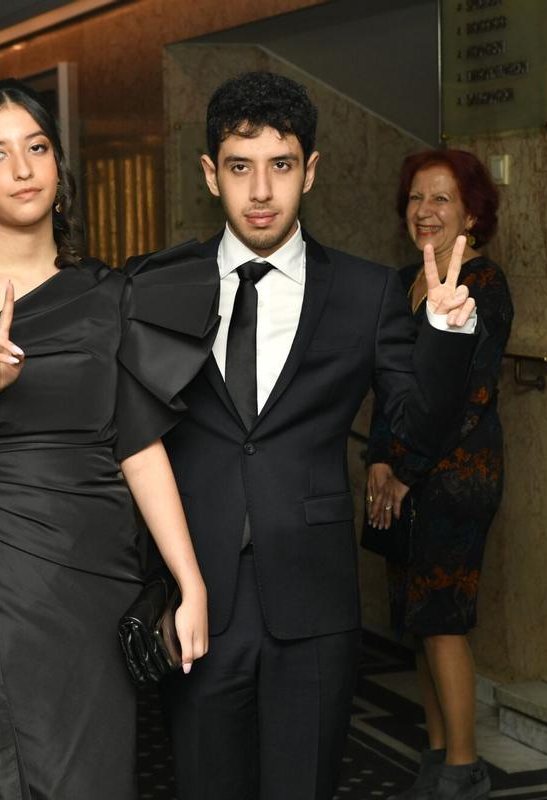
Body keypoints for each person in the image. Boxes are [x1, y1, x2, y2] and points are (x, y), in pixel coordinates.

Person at [134, 71, 479, 799]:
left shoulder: (365, 292)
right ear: (210, 173)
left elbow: (421, 427)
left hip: (313, 600)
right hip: (198, 594)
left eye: (281, 165)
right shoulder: (160, 284)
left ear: (311, 170)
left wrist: (446, 335)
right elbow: (132, 431)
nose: (261, 191)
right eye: (240, 166)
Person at [0, 78, 211, 799]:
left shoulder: (111, 295)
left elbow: (139, 446)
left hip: (93, 581)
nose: (22, 169)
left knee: (89, 774)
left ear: (59, 165)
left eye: (37, 147)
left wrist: (189, 579)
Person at [365, 149, 511, 800]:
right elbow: (386, 385)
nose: (425, 211)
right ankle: (434, 757)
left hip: (457, 473)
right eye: (416, 199)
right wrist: (378, 459)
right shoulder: (402, 283)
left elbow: (466, 400)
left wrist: (405, 472)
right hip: (403, 470)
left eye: (442, 199)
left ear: (472, 214)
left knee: (444, 617)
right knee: (416, 618)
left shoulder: (485, 285)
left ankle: (463, 770)